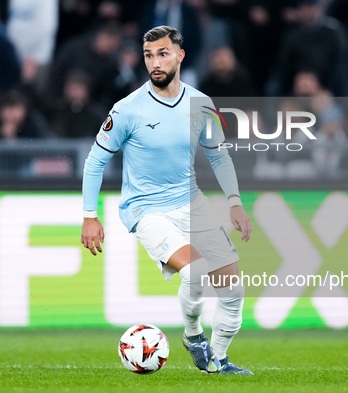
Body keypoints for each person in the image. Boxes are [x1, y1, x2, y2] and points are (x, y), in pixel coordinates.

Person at [81, 25, 253, 375]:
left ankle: (217, 361)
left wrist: (234, 200)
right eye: (148, 55)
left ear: (180, 55)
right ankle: (194, 337)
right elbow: (95, 160)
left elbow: (218, 155)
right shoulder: (128, 109)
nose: (155, 62)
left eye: (162, 53)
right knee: (196, 270)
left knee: (233, 289)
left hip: (191, 201)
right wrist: (89, 215)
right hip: (146, 209)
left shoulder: (200, 104)